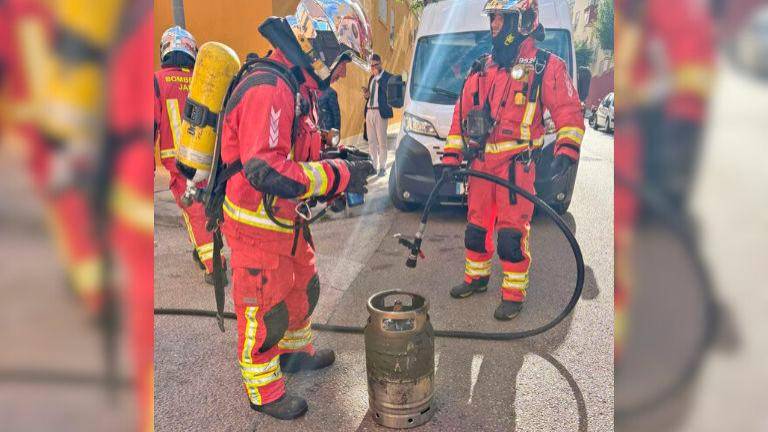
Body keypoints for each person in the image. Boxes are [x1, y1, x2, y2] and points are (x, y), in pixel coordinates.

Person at [219, 0, 374, 420]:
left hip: (286, 220)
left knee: (302, 288)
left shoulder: (296, 87)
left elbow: (297, 155)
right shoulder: (270, 87)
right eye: (342, 59)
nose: (342, 71)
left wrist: (339, 159)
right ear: (321, 46)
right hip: (257, 225)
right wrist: (337, 175)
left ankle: (294, 353)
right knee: (265, 309)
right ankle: (264, 391)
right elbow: (264, 168)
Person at [442, 0, 584, 320]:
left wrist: (567, 150)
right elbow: (460, 114)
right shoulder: (483, 66)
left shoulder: (547, 66)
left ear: (520, 22)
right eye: (492, 18)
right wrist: (452, 156)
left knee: (510, 235)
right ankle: (476, 278)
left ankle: (513, 293)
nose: (493, 24)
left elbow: (568, 111)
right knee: (476, 227)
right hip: (480, 166)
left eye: (499, 18)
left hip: (516, 167)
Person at [153, 26, 221, 285]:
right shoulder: (201, 80)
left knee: (195, 211)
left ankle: (216, 266)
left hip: (180, 162)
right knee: (211, 204)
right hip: (211, 157)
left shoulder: (158, 81)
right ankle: (203, 249)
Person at [363, 53, 393, 177]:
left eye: (375, 65)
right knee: (371, 142)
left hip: (380, 112)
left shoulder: (387, 77)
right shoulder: (371, 78)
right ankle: (374, 166)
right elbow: (371, 96)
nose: (373, 68)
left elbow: (388, 91)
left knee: (382, 142)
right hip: (370, 111)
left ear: (380, 64)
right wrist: (366, 94)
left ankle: (382, 167)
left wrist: (379, 78)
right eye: (371, 66)